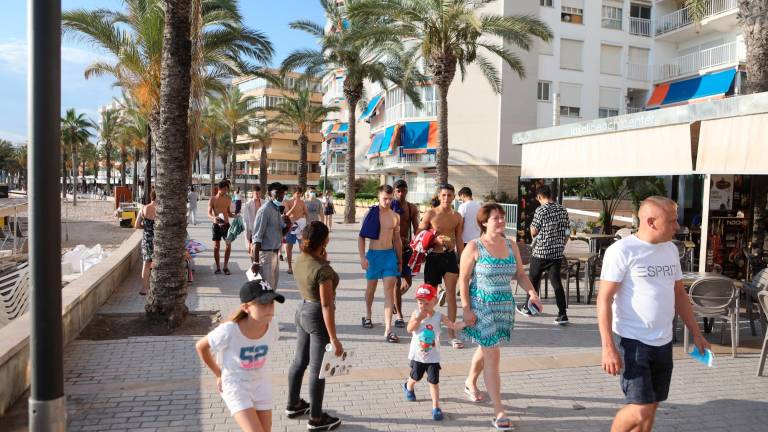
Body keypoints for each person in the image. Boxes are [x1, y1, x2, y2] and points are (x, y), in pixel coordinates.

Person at [598, 196, 710, 432]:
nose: (677, 226)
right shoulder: (621, 251)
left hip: (664, 340)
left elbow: (679, 294)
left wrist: (697, 333)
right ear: (651, 221)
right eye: (672, 221)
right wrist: (608, 347)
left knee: (652, 405)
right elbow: (604, 299)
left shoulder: (670, 250)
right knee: (640, 409)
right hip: (632, 341)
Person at [460, 203, 542, 431]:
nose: (501, 220)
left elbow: (520, 274)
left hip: (504, 306)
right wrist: (466, 308)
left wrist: (532, 293)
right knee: (493, 355)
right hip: (482, 305)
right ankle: (499, 411)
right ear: (484, 222)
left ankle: (469, 382)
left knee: (487, 348)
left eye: (502, 217)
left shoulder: (510, 244)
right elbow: (463, 280)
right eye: (496, 217)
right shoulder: (474, 246)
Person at [195, 279, 284, 432]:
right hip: (236, 386)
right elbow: (200, 346)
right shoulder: (229, 330)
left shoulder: (273, 326)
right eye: (263, 304)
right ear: (246, 307)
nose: (269, 308)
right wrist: (218, 374)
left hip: (261, 383)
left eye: (272, 303)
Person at [286, 221, 343, 431]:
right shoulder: (322, 270)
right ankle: (316, 419)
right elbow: (326, 305)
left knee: (299, 361)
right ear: (324, 240)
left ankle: (293, 404)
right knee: (318, 369)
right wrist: (334, 339)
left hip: (301, 310)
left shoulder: (301, 259)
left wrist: (322, 258)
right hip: (317, 315)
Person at [402, 284, 465, 421]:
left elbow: (453, 326)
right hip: (418, 356)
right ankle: (408, 386)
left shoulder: (439, 316)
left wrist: (466, 323)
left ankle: (436, 407)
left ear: (435, 302)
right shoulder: (416, 314)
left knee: (434, 382)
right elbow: (409, 329)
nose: (423, 306)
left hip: (433, 357)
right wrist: (418, 319)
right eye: (420, 302)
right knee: (416, 377)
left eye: (427, 302)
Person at [516, 185, 571, 325]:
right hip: (557, 253)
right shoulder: (562, 209)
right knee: (556, 282)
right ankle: (562, 314)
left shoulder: (540, 210)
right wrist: (561, 245)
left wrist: (530, 229)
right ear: (550, 195)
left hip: (541, 251)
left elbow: (534, 231)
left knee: (533, 280)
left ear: (539, 197)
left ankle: (528, 308)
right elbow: (567, 232)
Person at [419, 183, 464, 348]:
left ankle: (452, 333)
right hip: (433, 257)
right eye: (443, 195)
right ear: (439, 196)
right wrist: (433, 238)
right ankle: (428, 333)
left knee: (452, 294)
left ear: (454, 197)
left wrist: (462, 258)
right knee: (429, 297)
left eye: (449, 195)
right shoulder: (431, 213)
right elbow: (419, 232)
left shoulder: (457, 216)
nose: (446, 198)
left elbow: (459, 238)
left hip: (449, 257)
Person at [358, 184, 402, 343]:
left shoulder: (395, 216)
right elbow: (361, 237)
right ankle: (368, 314)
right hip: (373, 256)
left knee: (389, 292)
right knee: (370, 290)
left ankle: (388, 329)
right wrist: (363, 257)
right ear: (379, 197)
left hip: (389, 256)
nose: (388, 201)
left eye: (390, 199)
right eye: (385, 198)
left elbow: (397, 240)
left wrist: (400, 260)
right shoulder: (370, 213)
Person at [252, 182, 292, 290]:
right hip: (265, 255)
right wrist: (255, 262)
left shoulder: (277, 210)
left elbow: (280, 234)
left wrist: (288, 226)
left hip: (275, 254)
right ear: (270, 194)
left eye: (283, 192)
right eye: (278, 192)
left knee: (272, 290)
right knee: (266, 292)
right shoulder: (265, 210)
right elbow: (256, 238)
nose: (281, 194)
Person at [393, 179, 419, 329]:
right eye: (398, 191)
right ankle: (399, 315)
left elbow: (416, 229)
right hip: (392, 249)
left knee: (408, 283)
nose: (401, 193)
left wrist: (420, 242)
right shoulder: (390, 206)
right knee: (396, 282)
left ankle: (394, 300)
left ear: (407, 191)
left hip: (407, 249)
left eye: (403, 191)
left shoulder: (411, 208)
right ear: (395, 191)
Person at [209, 181, 235, 275]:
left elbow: (228, 212)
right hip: (216, 225)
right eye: (224, 189)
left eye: (226, 189)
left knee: (228, 245)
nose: (226, 191)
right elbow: (209, 213)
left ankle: (225, 267)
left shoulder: (228, 199)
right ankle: (218, 267)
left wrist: (235, 215)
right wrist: (213, 218)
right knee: (216, 247)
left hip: (226, 225)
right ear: (220, 189)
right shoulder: (212, 199)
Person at [134, 189, 157, 296]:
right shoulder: (161, 210)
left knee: (146, 264)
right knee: (158, 263)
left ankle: (144, 289)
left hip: (147, 239)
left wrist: (147, 227)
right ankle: (157, 288)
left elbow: (136, 225)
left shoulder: (144, 208)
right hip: (159, 240)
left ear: (151, 197)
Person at [285, 186, 308, 274]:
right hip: (291, 227)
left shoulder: (303, 202)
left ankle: (302, 267)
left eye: (300, 193)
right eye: (297, 193)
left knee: (302, 248)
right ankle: (290, 267)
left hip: (300, 227)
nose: (299, 195)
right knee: (289, 247)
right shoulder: (287, 202)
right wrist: (294, 206)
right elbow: (287, 214)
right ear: (293, 193)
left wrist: (304, 220)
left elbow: (306, 213)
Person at [244, 185, 263, 260]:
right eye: (256, 194)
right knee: (253, 248)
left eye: (259, 194)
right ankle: (254, 265)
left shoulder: (264, 202)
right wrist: (248, 237)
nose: (258, 195)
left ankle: (257, 264)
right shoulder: (248, 204)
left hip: (261, 228)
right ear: (253, 193)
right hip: (252, 229)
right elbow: (246, 220)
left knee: (259, 248)